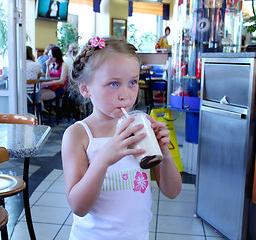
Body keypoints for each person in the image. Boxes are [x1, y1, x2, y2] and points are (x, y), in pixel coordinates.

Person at [61, 37, 182, 239]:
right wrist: (102, 160)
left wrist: (164, 154)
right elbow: (78, 206)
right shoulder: (78, 135)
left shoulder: (141, 124)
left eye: (132, 82)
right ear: (85, 88)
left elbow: (172, 191)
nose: (125, 94)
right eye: (114, 83)